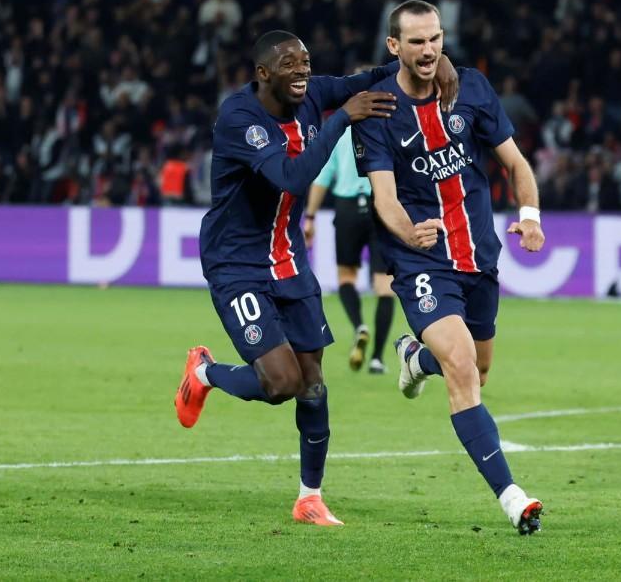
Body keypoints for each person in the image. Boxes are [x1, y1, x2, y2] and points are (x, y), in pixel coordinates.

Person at [172, 29, 458, 526]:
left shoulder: (311, 92)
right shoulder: (242, 119)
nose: (303, 71)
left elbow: (363, 79)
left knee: (313, 386)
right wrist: (343, 120)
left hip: (289, 261)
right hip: (237, 265)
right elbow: (291, 178)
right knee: (280, 382)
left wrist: (425, 61)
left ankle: (310, 497)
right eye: (290, 64)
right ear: (263, 74)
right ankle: (204, 373)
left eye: (306, 61)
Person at [353, 0, 546, 534]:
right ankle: (512, 496)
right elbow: (384, 198)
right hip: (420, 260)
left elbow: (515, 163)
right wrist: (407, 231)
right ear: (394, 47)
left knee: (477, 370)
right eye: (415, 41)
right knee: (463, 366)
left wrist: (529, 216)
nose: (428, 49)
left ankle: (417, 359)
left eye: (434, 38)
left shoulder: (472, 89)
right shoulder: (377, 111)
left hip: (479, 256)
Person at [304, 98, 396, 374]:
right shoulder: (388, 129)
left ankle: (359, 326)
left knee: (346, 277)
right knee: (385, 285)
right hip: (380, 206)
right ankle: (378, 358)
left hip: (346, 209)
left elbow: (323, 177)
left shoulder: (339, 131)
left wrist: (309, 216)